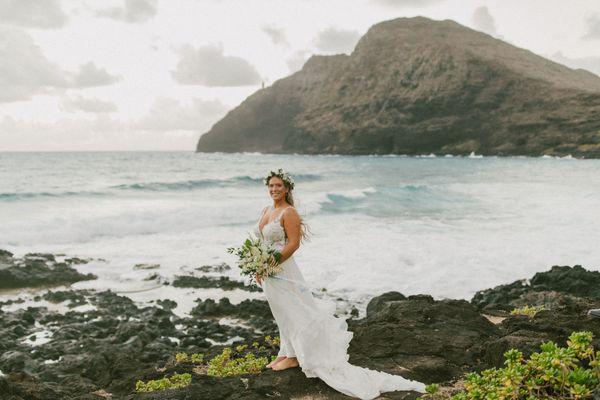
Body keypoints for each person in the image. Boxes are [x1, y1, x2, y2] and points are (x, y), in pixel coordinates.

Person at [253, 168, 427, 399]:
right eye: (271, 186)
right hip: (268, 270)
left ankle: (295, 356)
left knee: (293, 309)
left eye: (278, 186)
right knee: (281, 312)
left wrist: (270, 264)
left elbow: (293, 244)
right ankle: (285, 351)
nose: (274, 189)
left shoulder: (289, 212)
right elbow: (261, 241)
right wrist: (258, 266)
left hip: (282, 268)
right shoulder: (266, 210)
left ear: (287, 189)